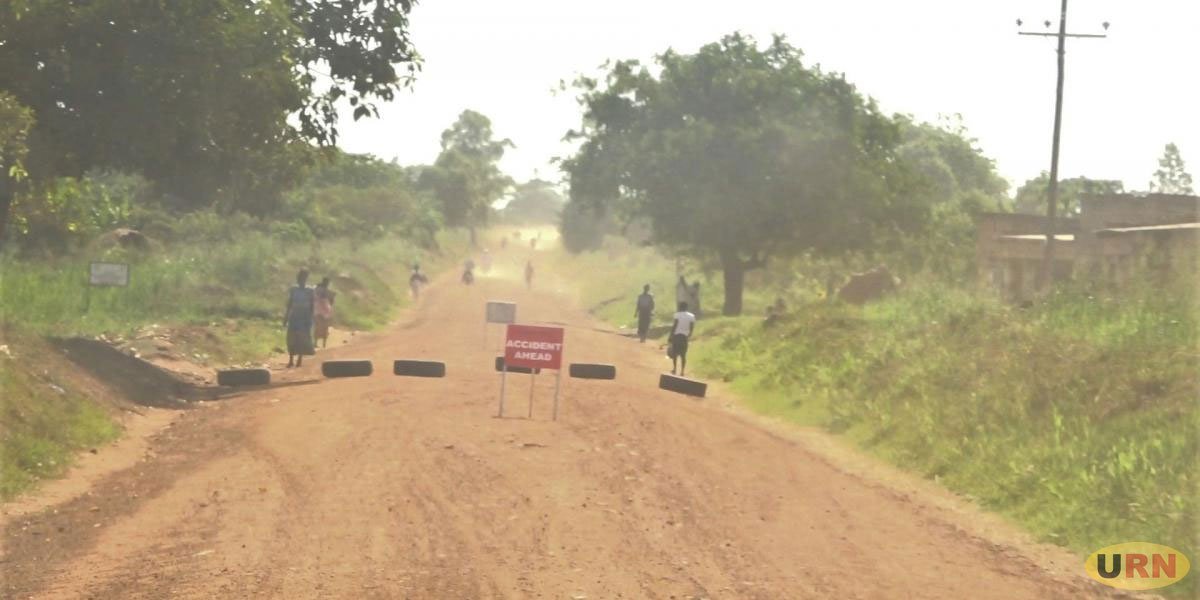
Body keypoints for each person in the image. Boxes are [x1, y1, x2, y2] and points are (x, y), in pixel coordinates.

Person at [282, 269, 315, 368]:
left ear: (305, 279)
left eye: (303, 277)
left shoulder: (310, 290)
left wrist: (310, 317)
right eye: (299, 277)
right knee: (291, 338)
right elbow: (290, 303)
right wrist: (286, 317)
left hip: (304, 316)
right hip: (295, 316)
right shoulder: (294, 289)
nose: (301, 279)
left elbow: (312, 305)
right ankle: (291, 360)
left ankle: (299, 359)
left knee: (301, 339)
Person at [668, 301, 696, 376]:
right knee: (683, 355)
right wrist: (689, 335)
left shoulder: (677, 315)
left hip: (677, 336)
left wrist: (670, 336)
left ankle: (674, 369)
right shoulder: (691, 316)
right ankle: (682, 371)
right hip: (684, 337)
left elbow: (675, 325)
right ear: (687, 307)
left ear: (680, 307)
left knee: (674, 354)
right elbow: (692, 327)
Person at [313, 277, 336, 349]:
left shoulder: (318, 289)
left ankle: (317, 343)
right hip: (324, 310)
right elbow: (332, 300)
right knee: (323, 326)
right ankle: (323, 344)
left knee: (319, 326)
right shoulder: (326, 291)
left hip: (319, 309)